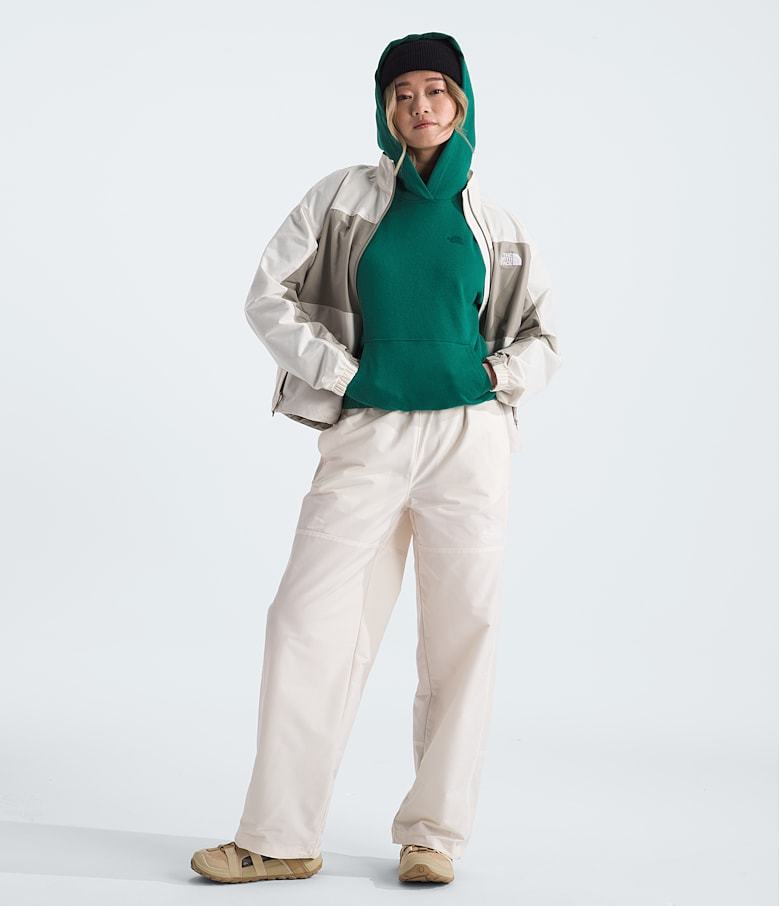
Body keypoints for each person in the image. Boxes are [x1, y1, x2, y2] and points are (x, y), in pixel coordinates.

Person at [190, 30, 561, 886]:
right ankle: (280, 837)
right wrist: (345, 374)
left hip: (470, 441)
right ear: (384, 108)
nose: (420, 106)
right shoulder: (344, 199)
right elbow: (268, 295)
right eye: (402, 93)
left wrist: (494, 375)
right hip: (369, 434)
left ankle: (434, 836)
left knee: (463, 632)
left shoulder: (496, 221)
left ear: (461, 102)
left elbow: (546, 336)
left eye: (436, 90)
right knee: (306, 619)